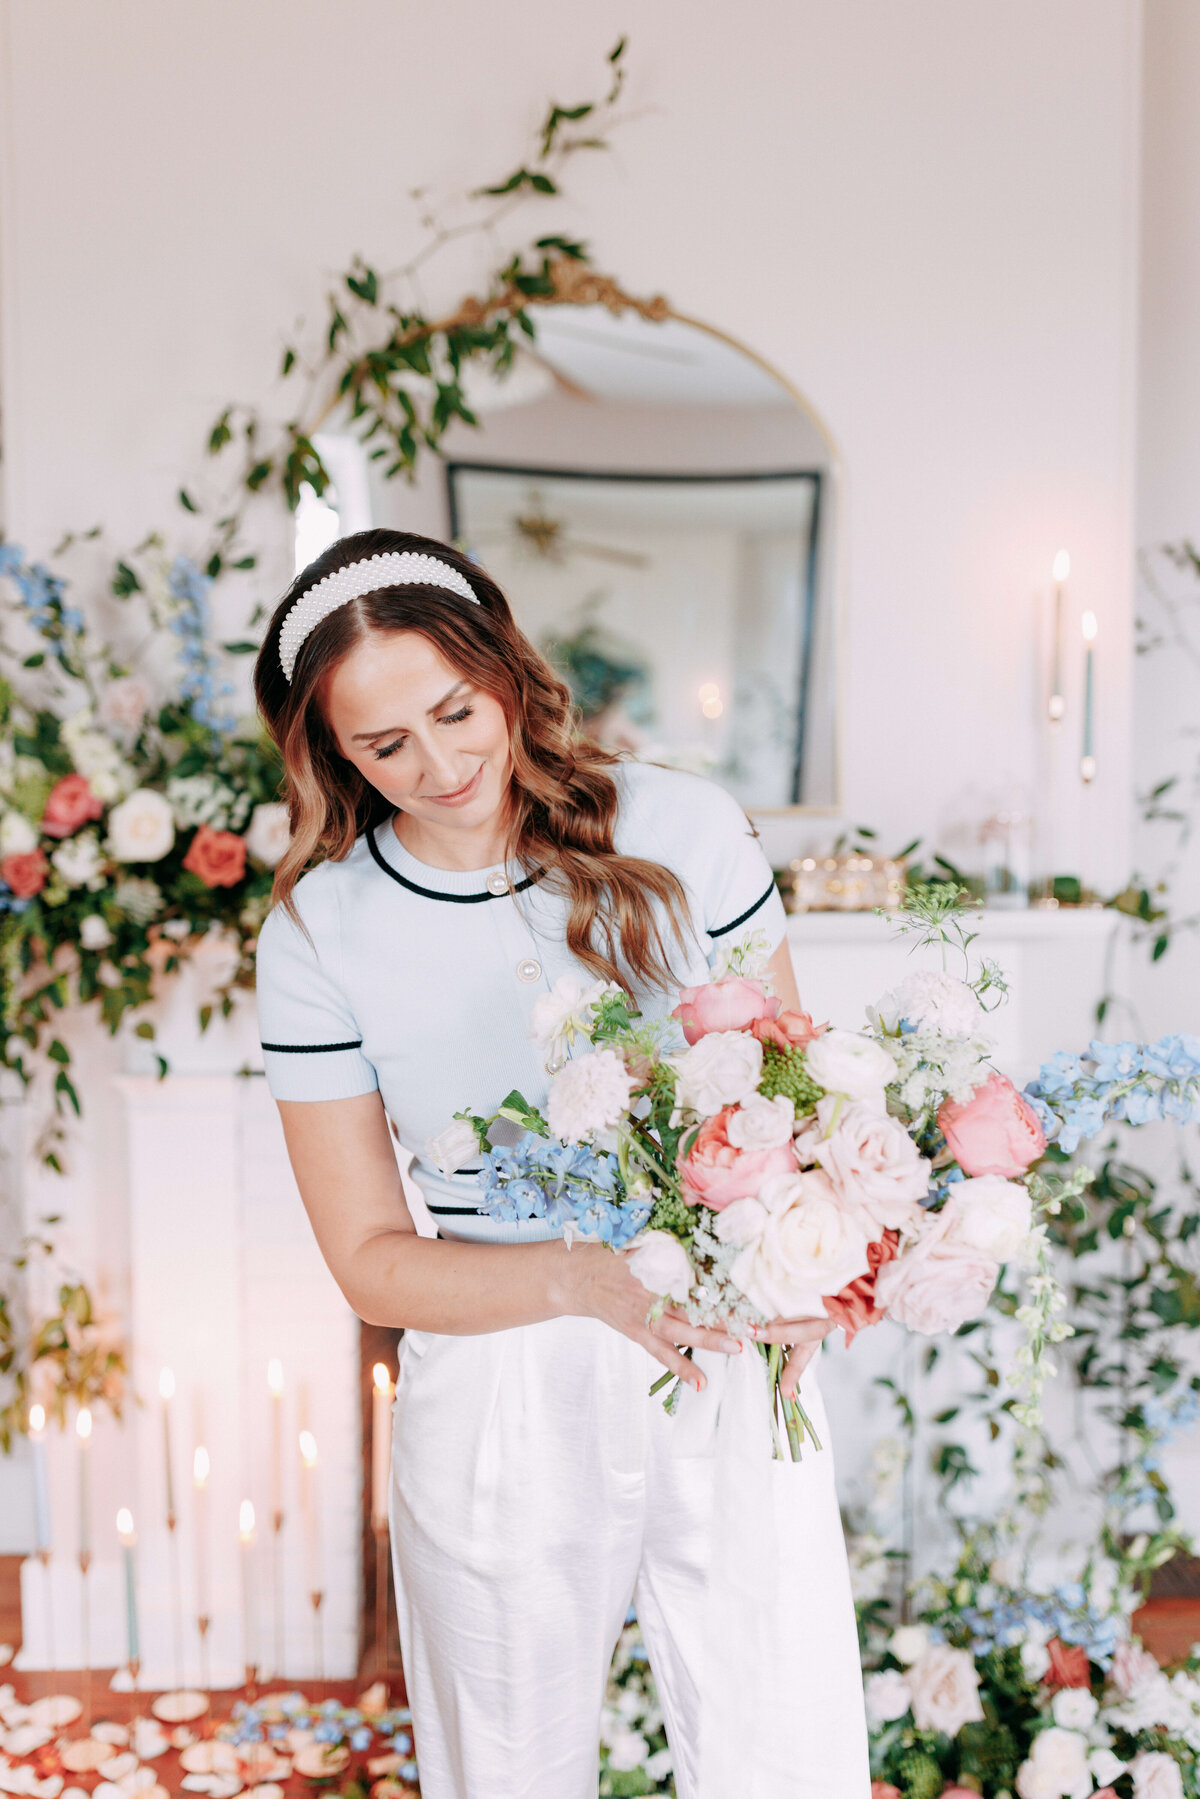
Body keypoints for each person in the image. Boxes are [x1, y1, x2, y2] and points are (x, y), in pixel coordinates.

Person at [253, 528, 869, 1798]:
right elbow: (371, 1262)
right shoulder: (321, 932)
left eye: (454, 709)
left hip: (724, 1338)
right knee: (508, 1769)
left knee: (782, 1751)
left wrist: (815, 1262)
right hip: (496, 1387)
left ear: (504, 669)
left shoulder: (685, 825)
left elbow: (790, 1107)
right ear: (333, 753)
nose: (439, 765)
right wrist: (583, 1282)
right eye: (385, 745)